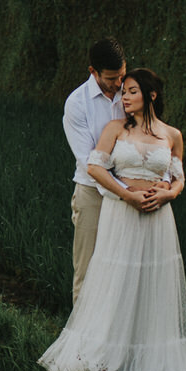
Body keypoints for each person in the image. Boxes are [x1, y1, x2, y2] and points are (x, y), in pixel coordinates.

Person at [38, 68, 186, 371]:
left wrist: (168, 194)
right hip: (122, 214)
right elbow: (95, 167)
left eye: (131, 91)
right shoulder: (115, 129)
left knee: (153, 282)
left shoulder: (172, 134)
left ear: (151, 95)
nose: (124, 97)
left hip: (157, 219)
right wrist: (127, 194)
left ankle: (150, 357)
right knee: (115, 278)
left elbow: (178, 177)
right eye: (123, 92)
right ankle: (105, 352)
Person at [61, 37, 127, 305]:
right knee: (87, 272)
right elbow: (90, 161)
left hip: (129, 191)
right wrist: (123, 193)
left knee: (122, 270)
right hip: (93, 193)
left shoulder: (131, 91)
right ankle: (80, 342)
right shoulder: (77, 103)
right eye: (112, 79)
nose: (118, 84)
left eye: (122, 75)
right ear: (93, 72)